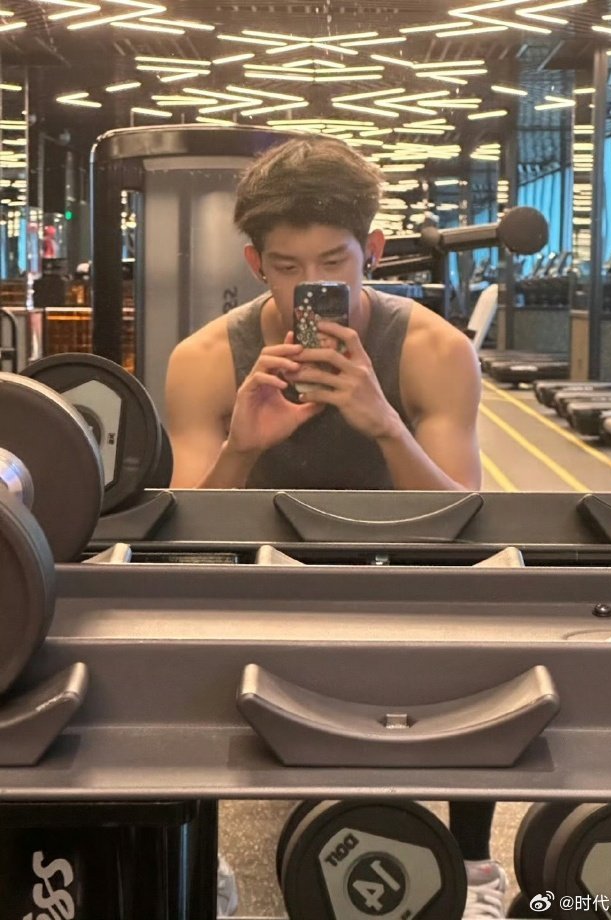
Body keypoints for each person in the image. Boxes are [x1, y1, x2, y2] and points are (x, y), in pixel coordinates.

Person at [166, 136, 505, 918]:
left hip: (403, 572)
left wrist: (385, 425)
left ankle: (475, 863)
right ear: (256, 264)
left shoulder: (433, 351)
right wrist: (242, 447)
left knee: (492, 614)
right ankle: (198, 847)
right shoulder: (204, 360)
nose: (309, 285)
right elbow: (183, 541)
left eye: (332, 262)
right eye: (287, 267)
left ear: (372, 252)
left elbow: (467, 527)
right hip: (264, 575)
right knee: (164, 631)